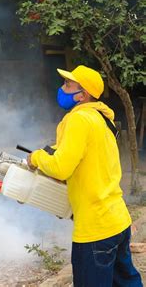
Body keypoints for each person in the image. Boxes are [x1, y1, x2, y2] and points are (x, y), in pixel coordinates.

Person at [27, 65, 142, 286]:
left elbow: (61, 167)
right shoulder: (101, 119)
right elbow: (78, 154)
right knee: (127, 282)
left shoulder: (79, 120)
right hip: (118, 220)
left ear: (83, 95)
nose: (62, 88)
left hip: (95, 229)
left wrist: (37, 158)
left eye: (68, 85)